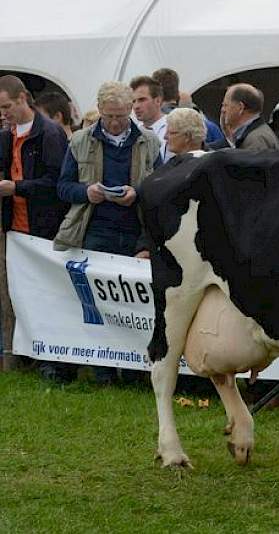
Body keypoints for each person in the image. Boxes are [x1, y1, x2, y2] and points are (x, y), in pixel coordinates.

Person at [53, 80, 162, 384]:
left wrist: (136, 192)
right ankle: (103, 371)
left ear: (131, 111)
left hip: (134, 232)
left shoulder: (150, 142)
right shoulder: (79, 141)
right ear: (99, 110)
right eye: (109, 116)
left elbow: (161, 188)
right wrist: (86, 192)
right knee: (98, 305)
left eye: (121, 116)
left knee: (133, 304)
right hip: (94, 231)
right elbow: (62, 187)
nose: (114, 123)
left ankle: (133, 370)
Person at [0, 75, 70, 374]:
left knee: (47, 294)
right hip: (12, 228)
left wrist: (16, 188)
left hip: (43, 229)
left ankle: (51, 359)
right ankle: (15, 357)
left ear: (22, 99)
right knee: (13, 295)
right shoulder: (5, 136)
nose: (4, 114)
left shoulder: (51, 134)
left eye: (6, 107)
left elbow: (56, 184)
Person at [219, 84, 279, 151]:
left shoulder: (256, 140)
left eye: (225, 105)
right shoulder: (256, 134)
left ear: (240, 107)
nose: (223, 110)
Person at [129, 75, 170, 161]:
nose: (136, 106)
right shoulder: (133, 130)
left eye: (142, 100)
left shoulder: (172, 128)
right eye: (133, 101)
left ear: (158, 101)